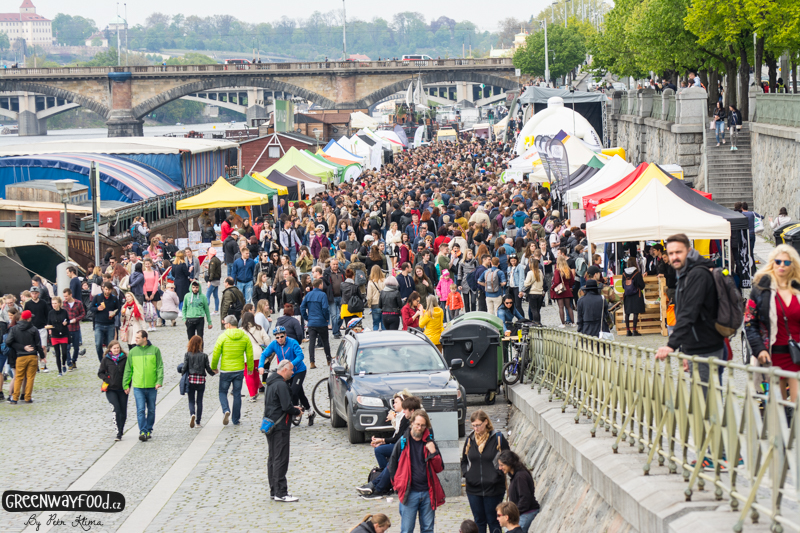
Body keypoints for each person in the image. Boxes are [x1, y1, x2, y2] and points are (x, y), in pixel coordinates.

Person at [656, 234, 724, 392]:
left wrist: (672, 345)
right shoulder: (685, 274)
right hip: (695, 347)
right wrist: (686, 350)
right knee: (700, 402)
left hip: (707, 348)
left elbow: (689, 312)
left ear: (689, 250)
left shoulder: (697, 274)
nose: (674, 257)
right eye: (671, 253)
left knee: (708, 403)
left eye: (678, 252)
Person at [745, 244, 800, 402]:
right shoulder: (761, 290)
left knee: (797, 404)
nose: (782, 265)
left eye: (786, 262)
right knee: (777, 406)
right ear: (772, 263)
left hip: (797, 355)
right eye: (778, 262)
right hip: (772, 356)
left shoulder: (798, 290)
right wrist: (759, 349)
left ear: (792, 265)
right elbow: (750, 323)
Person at [387, 410, 445, 533]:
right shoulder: (403, 442)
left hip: (427, 492)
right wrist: (397, 485)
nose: (419, 428)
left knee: (428, 529)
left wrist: (434, 453)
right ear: (411, 423)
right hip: (409, 493)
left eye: (423, 425)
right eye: (417, 424)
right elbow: (392, 465)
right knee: (407, 529)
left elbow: (439, 468)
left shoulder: (430, 443)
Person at [357, 394, 421, 498]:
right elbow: (400, 438)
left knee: (393, 461)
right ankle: (377, 485)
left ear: (412, 410)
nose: (404, 412)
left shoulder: (418, 423)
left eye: (405, 409)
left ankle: (379, 488)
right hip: (404, 450)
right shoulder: (408, 420)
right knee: (388, 458)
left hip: (412, 454)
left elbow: (412, 442)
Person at [461, 409, 510, 533]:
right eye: (473, 425)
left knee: (493, 520)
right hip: (473, 488)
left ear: (486, 422)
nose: (475, 428)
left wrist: (497, 475)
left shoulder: (497, 438)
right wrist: (467, 474)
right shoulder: (470, 440)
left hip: (493, 489)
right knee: (479, 521)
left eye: (478, 425)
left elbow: (508, 459)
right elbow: (464, 460)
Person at [263, 359, 303, 502]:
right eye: (291, 370)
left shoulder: (271, 383)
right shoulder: (281, 384)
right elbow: (286, 407)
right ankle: (281, 492)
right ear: (285, 370)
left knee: (273, 458)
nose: (293, 373)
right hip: (280, 426)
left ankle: (274, 490)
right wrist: (296, 411)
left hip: (270, 424)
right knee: (281, 458)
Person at [259, 325, 313, 425]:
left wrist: (291, 364)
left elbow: (300, 355)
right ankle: (310, 412)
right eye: (277, 337)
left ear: (285, 335)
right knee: (299, 392)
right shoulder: (274, 344)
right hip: (286, 373)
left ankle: (295, 413)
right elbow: (264, 354)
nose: (279, 339)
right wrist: (261, 366)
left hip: (298, 371)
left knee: (293, 391)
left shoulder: (292, 342)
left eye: (282, 336)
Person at [211, 315, 253, 426]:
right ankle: (236, 419)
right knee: (237, 394)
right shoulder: (244, 337)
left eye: (225, 324)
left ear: (229, 324)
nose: (224, 325)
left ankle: (226, 410)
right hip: (239, 370)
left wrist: (213, 367)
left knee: (222, 392)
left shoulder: (223, 337)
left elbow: (216, 354)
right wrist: (250, 367)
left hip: (226, 370)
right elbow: (249, 354)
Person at [123, 330, 164, 441]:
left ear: (145, 338)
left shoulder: (155, 350)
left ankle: (149, 429)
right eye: (135, 337)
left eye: (137, 338)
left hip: (152, 386)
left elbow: (160, 366)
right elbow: (128, 369)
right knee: (140, 409)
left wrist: (159, 381)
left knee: (151, 410)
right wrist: (126, 384)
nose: (135, 339)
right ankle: (143, 431)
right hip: (138, 386)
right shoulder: (133, 352)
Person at [7, 310, 45, 404]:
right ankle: (27, 397)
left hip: (20, 356)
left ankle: (15, 398)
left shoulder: (14, 329)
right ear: (28, 318)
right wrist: (42, 356)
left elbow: (8, 342)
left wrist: (21, 347)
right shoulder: (34, 329)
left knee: (18, 377)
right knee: (30, 378)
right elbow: (38, 344)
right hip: (32, 356)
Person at [497, 450, 539, 532]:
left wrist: (513, 514)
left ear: (509, 463)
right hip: (521, 513)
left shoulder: (520, 476)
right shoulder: (516, 475)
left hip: (526, 513)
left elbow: (525, 499)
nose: (500, 468)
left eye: (502, 465)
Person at [98, 340, 129, 441]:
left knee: (123, 411)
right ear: (110, 349)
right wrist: (108, 379)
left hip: (122, 389)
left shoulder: (125, 359)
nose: (116, 350)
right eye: (114, 348)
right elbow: (100, 373)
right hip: (111, 389)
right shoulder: (106, 360)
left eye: (118, 348)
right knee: (116, 409)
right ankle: (118, 433)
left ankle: (121, 428)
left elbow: (129, 373)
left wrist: (127, 385)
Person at [181, 334, 214, 428]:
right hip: (201, 380)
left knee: (191, 400)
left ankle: (192, 414)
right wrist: (213, 373)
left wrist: (182, 373)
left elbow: (184, 368)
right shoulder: (204, 355)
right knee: (199, 401)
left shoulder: (187, 354)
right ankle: (198, 422)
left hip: (191, 379)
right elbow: (208, 368)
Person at [301, 278, 330, 368]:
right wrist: (326, 318)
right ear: (320, 285)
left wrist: (307, 318)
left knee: (312, 343)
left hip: (311, 322)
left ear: (313, 286)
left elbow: (302, 307)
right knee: (325, 341)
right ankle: (328, 359)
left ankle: (312, 362)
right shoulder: (323, 295)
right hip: (321, 322)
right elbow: (325, 308)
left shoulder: (308, 295)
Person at [241, 312, 269, 402]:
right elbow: (267, 339)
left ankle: (252, 395)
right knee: (256, 374)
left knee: (249, 375)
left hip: (247, 355)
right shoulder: (259, 328)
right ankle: (255, 392)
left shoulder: (241, 330)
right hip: (259, 355)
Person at [91, 282, 120, 363]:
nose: (107, 291)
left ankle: (110, 361)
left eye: (109, 290)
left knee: (110, 345)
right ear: (103, 288)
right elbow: (91, 308)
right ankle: (102, 361)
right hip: (99, 324)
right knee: (98, 344)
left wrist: (114, 313)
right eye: (106, 289)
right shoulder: (98, 297)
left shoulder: (114, 298)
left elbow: (118, 309)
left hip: (110, 324)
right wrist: (97, 309)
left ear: (111, 290)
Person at [24, 287, 50, 371]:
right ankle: (36, 366)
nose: (34, 295)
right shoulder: (28, 304)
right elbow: (25, 316)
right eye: (32, 293)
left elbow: (47, 314)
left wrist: (47, 325)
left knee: (43, 347)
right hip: (32, 328)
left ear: (38, 293)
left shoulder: (43, 303)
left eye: (35, 293)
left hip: (42, 327)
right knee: (34, 348)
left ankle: (43, 364)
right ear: (30, 294)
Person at [45, 296, 70, 376]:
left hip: (64, 334)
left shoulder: (64, 312)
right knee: (57, 353)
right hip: (55, 335)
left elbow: (68, 320)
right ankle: (59, 371)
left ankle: (63, 364)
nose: (54, 305)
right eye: (52, 303)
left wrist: (66, 323)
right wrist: (49, 329)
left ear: (59, 304)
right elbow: (49, 323)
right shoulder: (50, 313)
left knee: (64, 352)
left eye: (55, 303)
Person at [62, 288, 85, 371]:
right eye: (64, 296)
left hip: (75, 328)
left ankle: (74, 360)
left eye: (66, 296)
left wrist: (77, 319)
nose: (65, 298)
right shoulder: (63, 304)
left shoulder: (78, 303)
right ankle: (69, 363)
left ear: (70, 295)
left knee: (76, 347)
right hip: (67, 329)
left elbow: (83, 313)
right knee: (67, 347)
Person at [621, 258, 646, 336]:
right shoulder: (637, 273)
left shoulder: (624, 274)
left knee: (627, 313)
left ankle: (628, 331)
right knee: (635, 312)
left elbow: (623, 286)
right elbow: (642, 286)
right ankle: (634, 330)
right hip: (636, 295)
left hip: (627, 295)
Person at [550, 256, 574, 327]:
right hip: (567, 289)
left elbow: (557, 281)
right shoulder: (568, 270)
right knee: (569, 307)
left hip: (560, 290)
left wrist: (552, 287)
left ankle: (563, 323)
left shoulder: (558, 270)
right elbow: (572, 280)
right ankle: (573, 323)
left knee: (561, 307)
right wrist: (569, 286)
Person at [521, 259, 544, 325]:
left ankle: (536, 322)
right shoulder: (540, 272)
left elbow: (526, 283)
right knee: (537, 310)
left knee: (533, 310)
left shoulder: (530, 273)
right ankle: (539, 322)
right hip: (539, 292)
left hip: (532, 293)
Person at [203, 247, 222, 314]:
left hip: (213, 280)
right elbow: (215, 269)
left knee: (207, 295)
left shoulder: (212, 261)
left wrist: (209, 281)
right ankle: (216, 310)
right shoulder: (217, 259)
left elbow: (212, 272)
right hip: (217, 280)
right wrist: (209, 267)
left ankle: (205, 310)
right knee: (215, 295)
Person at [366, 265, 386, 331]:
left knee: (375, 324)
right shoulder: (384, 281)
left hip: (375, 304)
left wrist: (369, 305)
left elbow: (369, 296)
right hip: (384, 304)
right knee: (384, 324)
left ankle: (375, 337)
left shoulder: (371, 282)